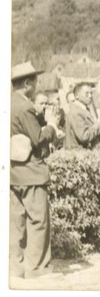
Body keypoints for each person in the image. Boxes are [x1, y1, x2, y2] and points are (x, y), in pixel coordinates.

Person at [10, 62, 61, 280]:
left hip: (13, 173)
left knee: (16, 222)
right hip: (32, 172)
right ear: (28, 83)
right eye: (35, 81)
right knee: (38, 220)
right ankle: (37, 268)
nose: (37, 84)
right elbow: (39, 138)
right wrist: (51, 124)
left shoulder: (10, 103)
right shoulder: (25, 107)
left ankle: (16, 266)